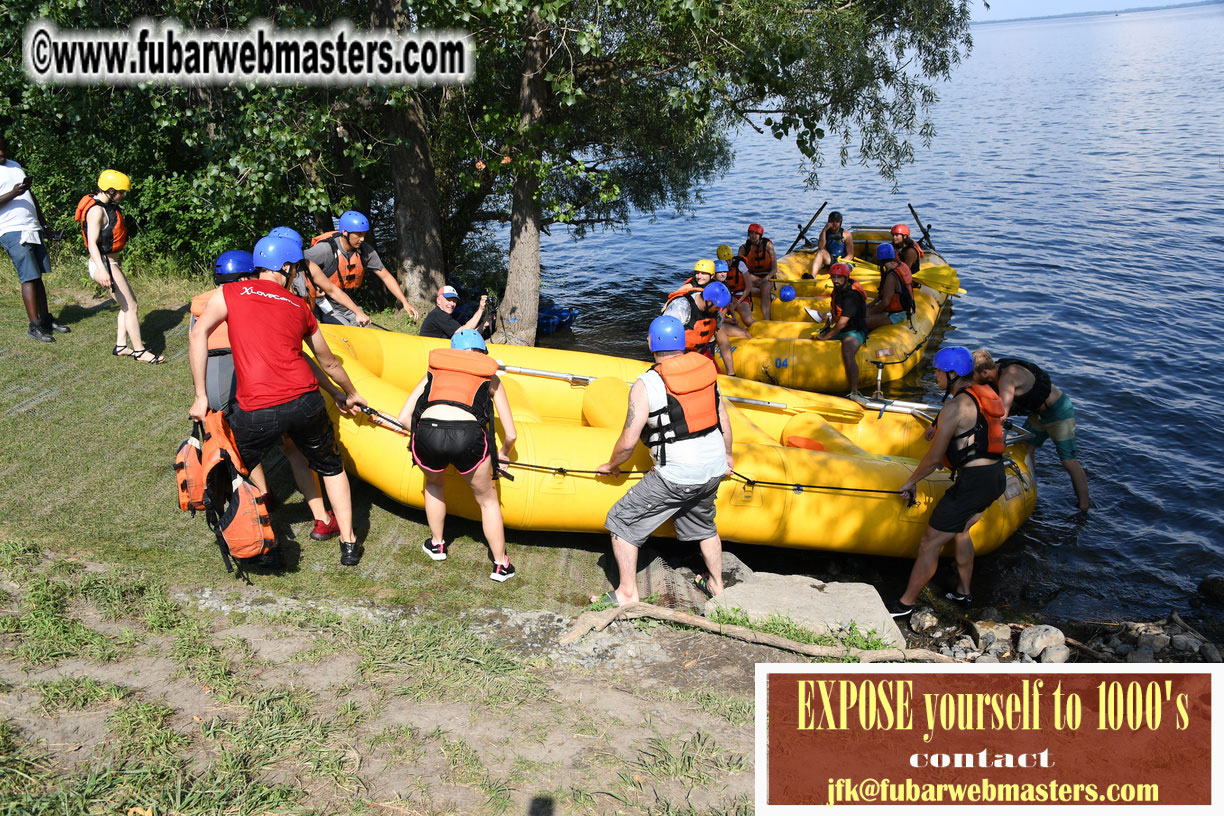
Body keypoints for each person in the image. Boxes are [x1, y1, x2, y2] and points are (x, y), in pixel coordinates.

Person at [189, 234, 368, 566]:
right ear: (285, 267)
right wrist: (348, 393)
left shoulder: (229, 292)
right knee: (331, 467)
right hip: (304, 402)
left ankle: (259, 544)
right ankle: (348, 543)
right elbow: (327, 361)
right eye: (296, 269)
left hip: (257, 409)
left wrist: (201, 397)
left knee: (239, 471)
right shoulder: (298, 306)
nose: (296, 274)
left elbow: (199, 332)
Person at [591, 315, 734, 606]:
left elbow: (629, 440)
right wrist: (728, 456)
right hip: (714, 468)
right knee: (705, 525)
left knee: (621, 521)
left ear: (650, 343)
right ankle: (716, 585)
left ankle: (627, 593)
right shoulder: (706, 371)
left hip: (678, 476)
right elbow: (723, 419)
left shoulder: (647, 383)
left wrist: (612, 465)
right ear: (683, 343)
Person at [891, 347, 1007, 616]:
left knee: (930, 541)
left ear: (952, 374)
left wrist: (910, 481)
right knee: (961, 530)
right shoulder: (979, 396)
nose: (935, 376)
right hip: (995, 477)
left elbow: (933, 459)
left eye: (938, 371)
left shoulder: (955, 406)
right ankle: (963, 592)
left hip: (974, 482)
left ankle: (905, 604)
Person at [397, 329, 518, 581]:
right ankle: (500, 565)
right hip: (468, 436)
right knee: (487, 500)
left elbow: (403, 418)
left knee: (433, 485)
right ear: (483, 353)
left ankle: (437, 544)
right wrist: (504, 453)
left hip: (428, 433)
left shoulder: (434, 371)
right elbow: (511, 434)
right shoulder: (490, 376)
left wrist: (422, 439)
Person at [973, 349, 1090, 511]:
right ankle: (1032, 490)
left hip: (1058, 412)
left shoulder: (1007, 377)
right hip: (1038, 414)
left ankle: (1084, 507)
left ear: (984, 372)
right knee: (1027, 449)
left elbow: (1002, 414)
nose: (972, 379)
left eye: (973, 375)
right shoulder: (994, 370)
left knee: (1068, 461)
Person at [76, 170, 163, 363]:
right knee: (131, 306)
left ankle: (121, 345)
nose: (123, 196)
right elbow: (92, 244)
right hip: (103, 264)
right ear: (110, 190)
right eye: (121, 192)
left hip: (110, 262)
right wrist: (103, 270)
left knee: (126, 305)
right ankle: (140, 351)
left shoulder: (107, 206)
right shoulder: (96, 211)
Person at [0, 134, 67, 342]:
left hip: (32, 226)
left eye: (3, 148)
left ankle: (45, 319)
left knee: (37, 275)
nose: (2, 153)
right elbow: (13, 194)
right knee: (28, 276)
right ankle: (34, 326)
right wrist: (13, 193)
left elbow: (30, 195)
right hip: (12, 228)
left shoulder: (14, 165)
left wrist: (45, 224)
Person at [304, 210, 419, 325]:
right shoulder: (325, 250)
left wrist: (405, 302)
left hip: (347, 303)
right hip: (325, 304)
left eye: (364, 234)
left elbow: (386, 276)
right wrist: (310, 287)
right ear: (345, 232)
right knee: (346, 332)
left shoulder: (365, 250)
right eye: (358, 234)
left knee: (365, 328)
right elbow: (296, 264)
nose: (362, 239)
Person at [268, 226, 372, 327]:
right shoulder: (269, 276)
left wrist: (358, 312)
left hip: (305, 321)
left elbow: (332, 290)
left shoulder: (308, 266)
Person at [662, 268, 737, 377]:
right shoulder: (681, 307)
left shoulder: (715, 313)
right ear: (709, 302)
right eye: (717, 307)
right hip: (677, 355)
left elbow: (723, 343)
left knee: (716, 379)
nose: (719, 310)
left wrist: (731, 373)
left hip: (700, 352)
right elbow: (663, 340)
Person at [815, 263, 868, 396]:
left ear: (846, 278)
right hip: (841, 330)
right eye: (834, 277)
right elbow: (835, 314)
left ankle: (854, 390)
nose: (836, 280)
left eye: (839, 277)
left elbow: (842, 324)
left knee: (848, 351)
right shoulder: (838, 290)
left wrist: (826, 337)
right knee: (815, 340)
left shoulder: (852, 296)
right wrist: (825, 330)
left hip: (854, 331)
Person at [865, 243, 915, 330]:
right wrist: (872, 304)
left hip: (896, 315)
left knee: (859, 322)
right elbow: (885, 293)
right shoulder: (901, 265)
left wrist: (870, 312)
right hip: (901, 310)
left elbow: (885, 302)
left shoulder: (891, 276)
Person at [738, 223, 777, 321]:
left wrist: (765, 279)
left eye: (756, 234)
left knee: (765, 288)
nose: (753, 236)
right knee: (744, 290)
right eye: (751, 233)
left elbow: (774, 269)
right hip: (751, 277)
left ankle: (767, 319)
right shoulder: (743, 248)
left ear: (760, 235)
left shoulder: (768, 245)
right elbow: (740, 269)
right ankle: (768, 295)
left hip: (767, 277)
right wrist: (753, 278)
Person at [419, 285, 490, 339]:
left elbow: (467, 336)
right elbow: (463, 333)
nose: (452, 304)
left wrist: (483, 325)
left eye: (454, 301)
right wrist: (480, 310)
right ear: (438, 300)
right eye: (448, 300)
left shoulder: (445, 316)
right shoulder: (438, 315)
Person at [716, 244, 754, 327]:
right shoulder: (718, 269)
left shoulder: (740, 264)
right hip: (727, 297)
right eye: (725, 261)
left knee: (748, 320)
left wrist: (738, 302)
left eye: (729, 260)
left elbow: (749, 287)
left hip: (740, 296)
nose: (728, 263)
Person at [713, 259, 752, 335]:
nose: (722, 274)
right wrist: (728, 320)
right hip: (717, 322)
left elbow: (729, 304)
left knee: (746, 333)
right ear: (714, 274)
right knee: (744, 334)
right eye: (720, 272)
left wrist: (733, 316)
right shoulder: (713, 288)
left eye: (724, 272)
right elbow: (715, 314)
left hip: (724, 318)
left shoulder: (725, 284)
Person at [809, 211, 854, 276]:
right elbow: (821, 247)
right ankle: (812, 276)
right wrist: (824, 230)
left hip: (844, 261)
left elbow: (850, 255)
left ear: (840, 223)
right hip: (831, 259)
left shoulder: (846, 234)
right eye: (832, 221)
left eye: (837, 222)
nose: (834, 224)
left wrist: (840, 263)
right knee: (820, 252)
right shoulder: (825, 233)